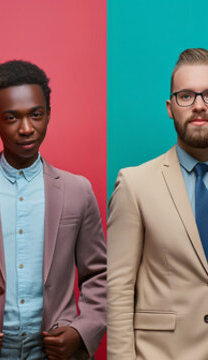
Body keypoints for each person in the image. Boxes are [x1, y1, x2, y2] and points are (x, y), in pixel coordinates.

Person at [0, 60, 106, 360]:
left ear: (48, 114)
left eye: (36, 115)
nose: (26, 129)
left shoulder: (77, 189)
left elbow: (99, 274)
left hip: (59, 353)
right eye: (11, 117)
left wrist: (82, 331)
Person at [108, 48, 208, 360]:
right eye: (186, 96)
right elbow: (118, 290)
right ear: (170, 107)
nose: (199, 105)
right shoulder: (135, 184)